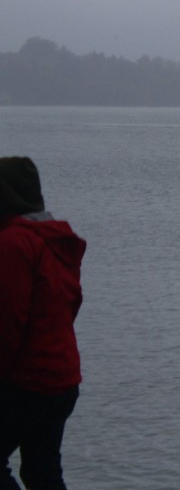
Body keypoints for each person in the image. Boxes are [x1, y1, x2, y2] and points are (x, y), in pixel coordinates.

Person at [0, 157, 86, 490]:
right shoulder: (57, 240)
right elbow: (71, 305)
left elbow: (7, 322)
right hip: (62, 378)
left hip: (26, 379)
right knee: (42, 471)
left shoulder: (12, 243)